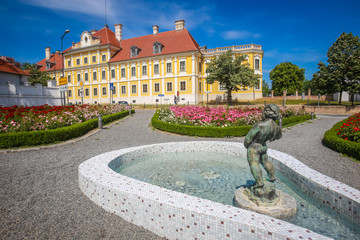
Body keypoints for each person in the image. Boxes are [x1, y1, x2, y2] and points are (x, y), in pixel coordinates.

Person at [244, 104, 282, 189]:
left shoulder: (260, 125)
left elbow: (248, 139)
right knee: (265, 162)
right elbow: (279, 136)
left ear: (265, 113)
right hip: (263, 146)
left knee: (254, 164)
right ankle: (271, 177)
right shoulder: (276, 127)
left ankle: (259, 182)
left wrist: (248, 147)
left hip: (254, 146)